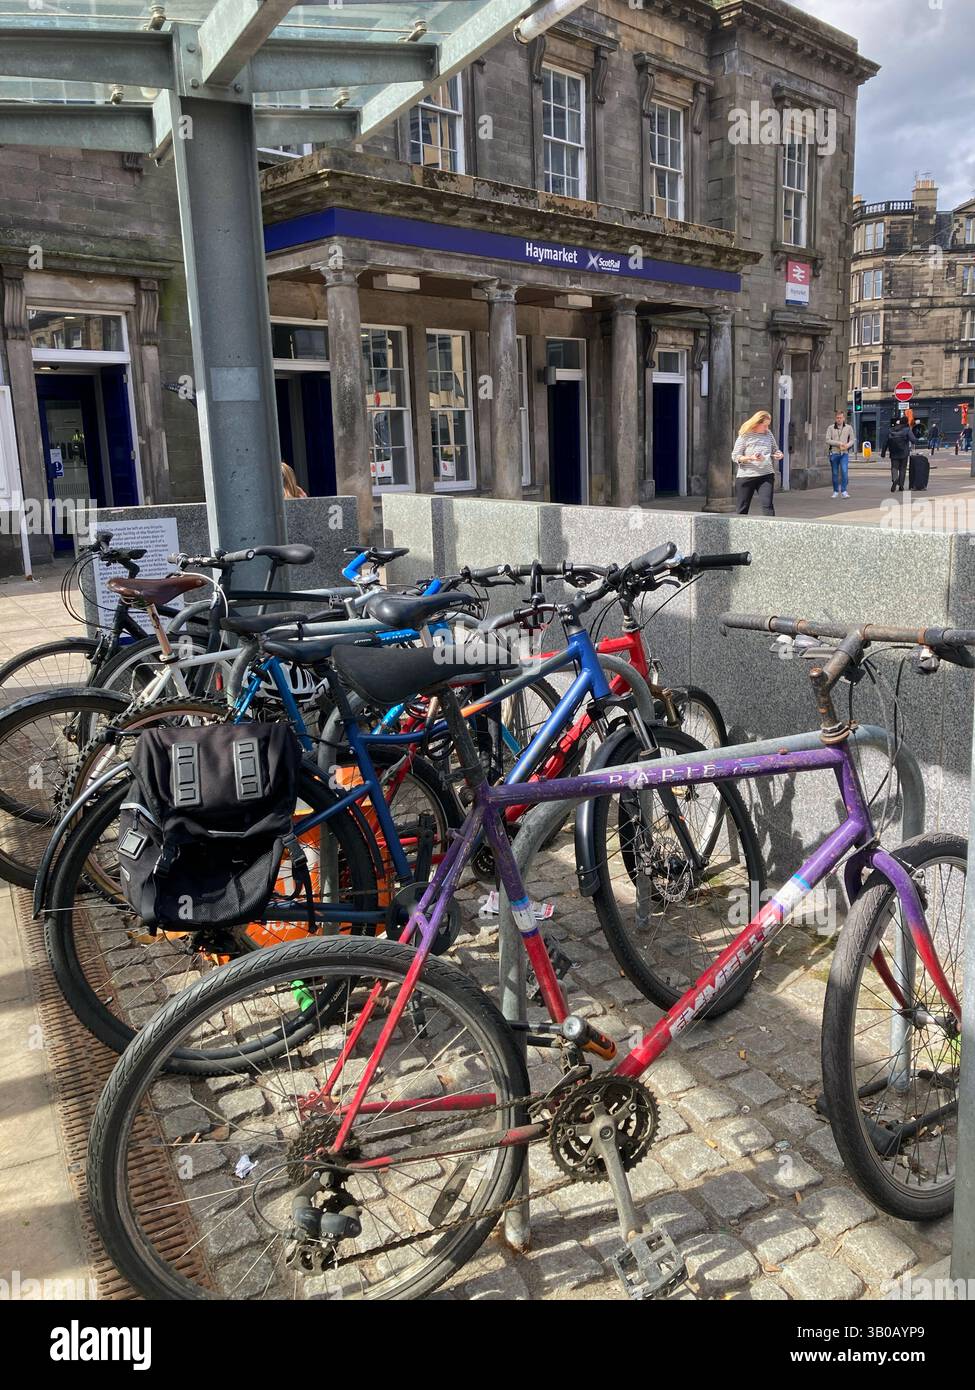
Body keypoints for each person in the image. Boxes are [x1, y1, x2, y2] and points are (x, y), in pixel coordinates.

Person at [731, 410, 784, 515]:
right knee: (742, 508)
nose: (767, 428)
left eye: (768, 425)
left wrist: (779, 454)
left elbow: (775, 449)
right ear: (756, 423)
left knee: (768, 505)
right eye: (764, 426)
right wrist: (751, 458)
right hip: (746, 476)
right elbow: (735, 456)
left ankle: (771, 529)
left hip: (766, 475)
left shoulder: (768, 434)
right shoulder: (744, 435)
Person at [880, 415, 916, 492]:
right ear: (906, 422)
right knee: (903, 469)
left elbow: (885, 442)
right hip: (904, 452)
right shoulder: (907, 429)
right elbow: (913, 440)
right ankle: (901, 485)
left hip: (893, 452)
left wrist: (883, 453)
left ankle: (895, 480)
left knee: (894, 468)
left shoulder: (891, 430)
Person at [825, 410, 855, 499]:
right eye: (837, 418)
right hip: (834, 453)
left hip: (844, 453)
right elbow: (827, 440)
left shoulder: (848, 428)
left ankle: (844, 491)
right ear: (835, 418)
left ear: (844, 418)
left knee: (844, 471)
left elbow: (852, 440)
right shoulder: (830, 428)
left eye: (841, 418)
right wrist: (839, 443)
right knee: (835, 473)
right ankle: (835, 491)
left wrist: (847, 445)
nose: (839, 419)